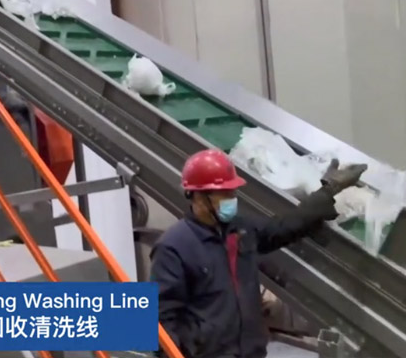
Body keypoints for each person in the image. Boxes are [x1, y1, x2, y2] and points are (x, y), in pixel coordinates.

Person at [150, 149, 367, 358]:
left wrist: (328, 190)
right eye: (224, 193)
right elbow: (156, 322)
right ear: (198, 197)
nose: (232, 199)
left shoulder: (240, 230)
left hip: (251, 352)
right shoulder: (173, 246)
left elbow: (283, 226)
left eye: (232, 192)